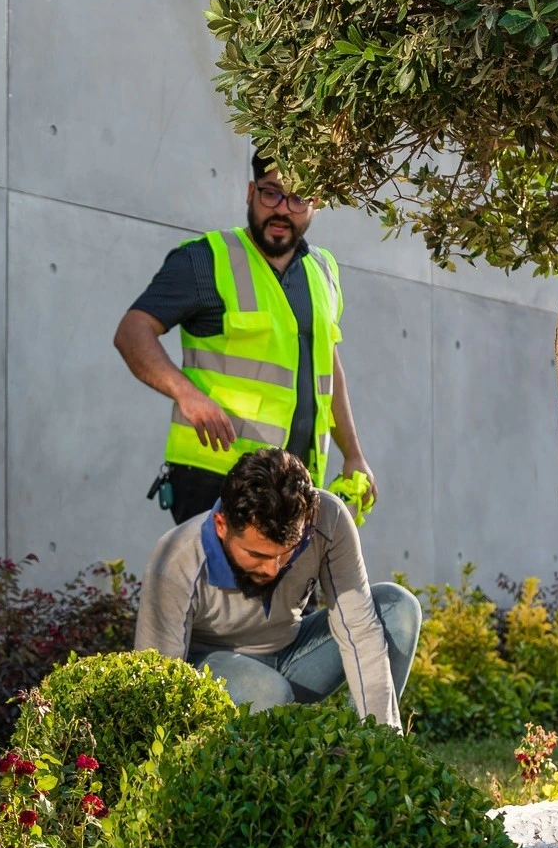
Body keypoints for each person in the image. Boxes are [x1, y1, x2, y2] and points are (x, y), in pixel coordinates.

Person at [114, 153, 377, 523]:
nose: (283, 209)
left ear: (315, 204)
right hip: (216, 479)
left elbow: (328, 367)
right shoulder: (206, 260)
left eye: (298, 198)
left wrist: (353, 454)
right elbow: (132, 332)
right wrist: (186, 394)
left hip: (295, 485)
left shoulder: (323, 270)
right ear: (251, 193)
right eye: (271, 194)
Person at [135, 447, 420, 725]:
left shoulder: (327, 519)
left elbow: (360, 631)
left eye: (287, 553)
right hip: (214, 671)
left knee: (398, 609)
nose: (273, 569)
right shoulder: (178, 558)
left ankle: (360, 748)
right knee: (267, 692)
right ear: (221, 526)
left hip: (293, 656)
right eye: (257, 555)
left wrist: (381, 742)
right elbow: (159, 681)